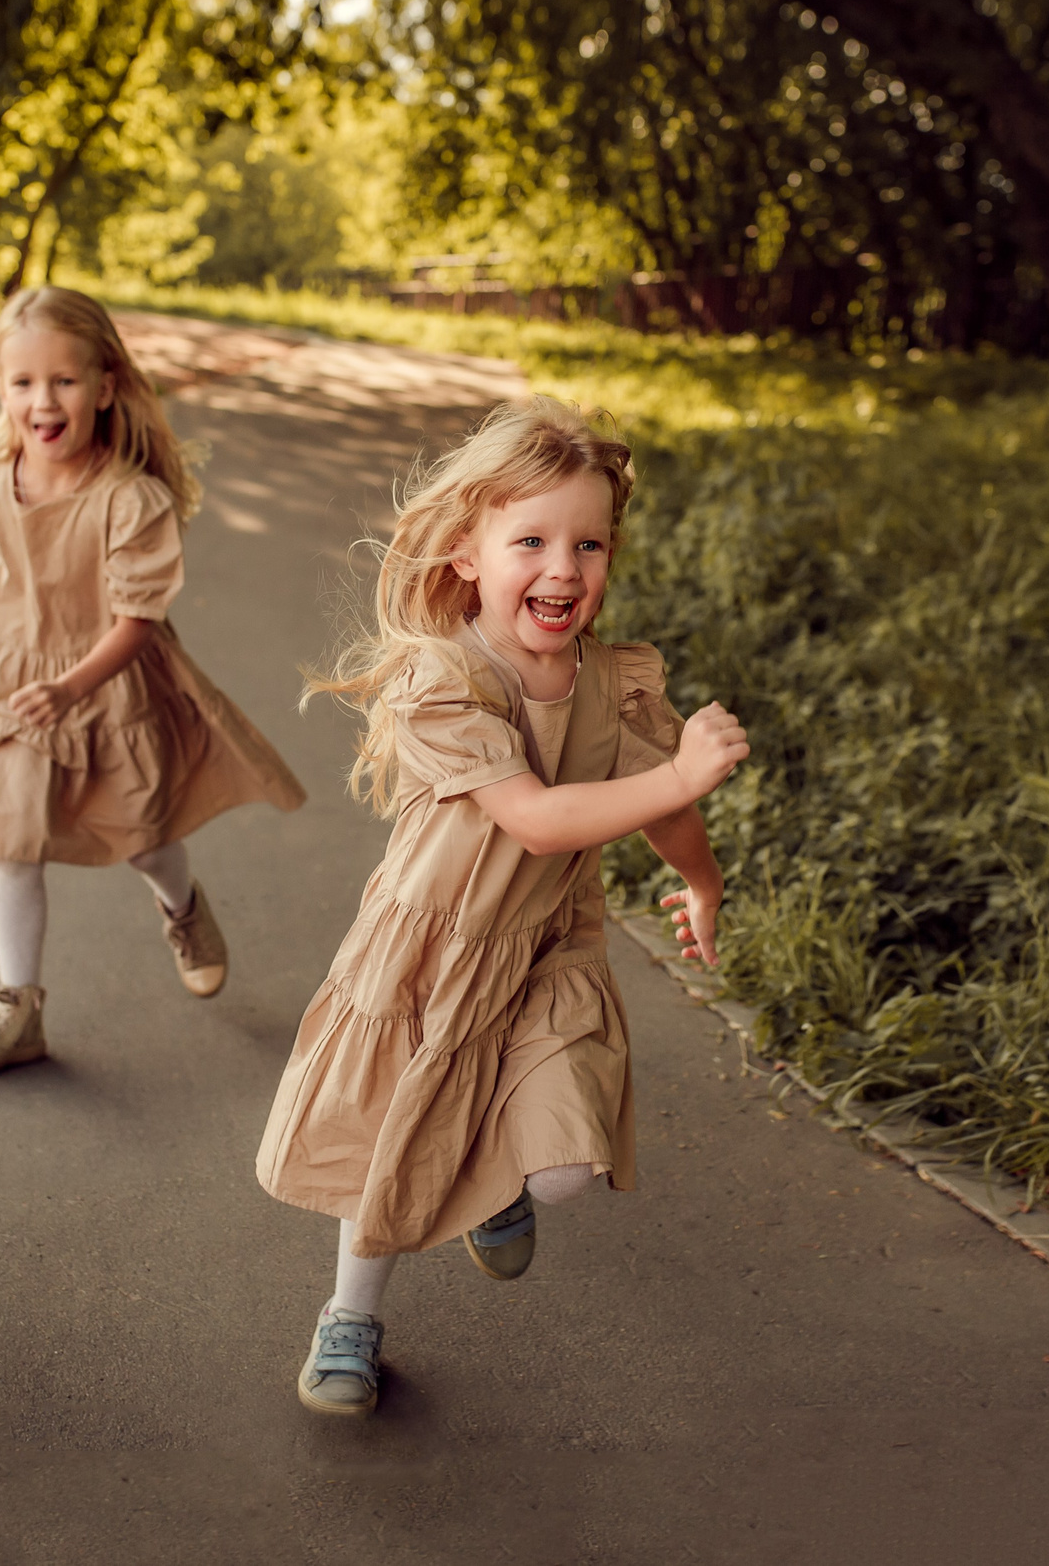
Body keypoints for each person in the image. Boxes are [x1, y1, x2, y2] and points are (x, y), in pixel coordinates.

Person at [255, 397, 748, 1417]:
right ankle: (349, 1316)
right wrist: (683, 779)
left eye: (589, 544)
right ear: (465, 554)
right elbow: (537, 819)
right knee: (399, 1134)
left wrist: (700, 877)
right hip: (432, 946)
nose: (564, 569)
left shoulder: (614, 686)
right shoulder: (444, 680)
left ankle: (502, 1186)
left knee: (568, 1164)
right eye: (530, 540)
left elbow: (656, 809)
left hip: (546, 949)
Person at [0, 285, 305, 1071]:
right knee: (10, 839)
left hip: (106, 679)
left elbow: (136, 623)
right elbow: (1, 545)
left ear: (104, 385)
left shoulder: (129, 500)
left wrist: (71, 686)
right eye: (22, 382)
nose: (42, 401)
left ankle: (182, 905)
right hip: (12, 674)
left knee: (144, 837)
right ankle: (17, 1008)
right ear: (2, 389)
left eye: (63, 380)